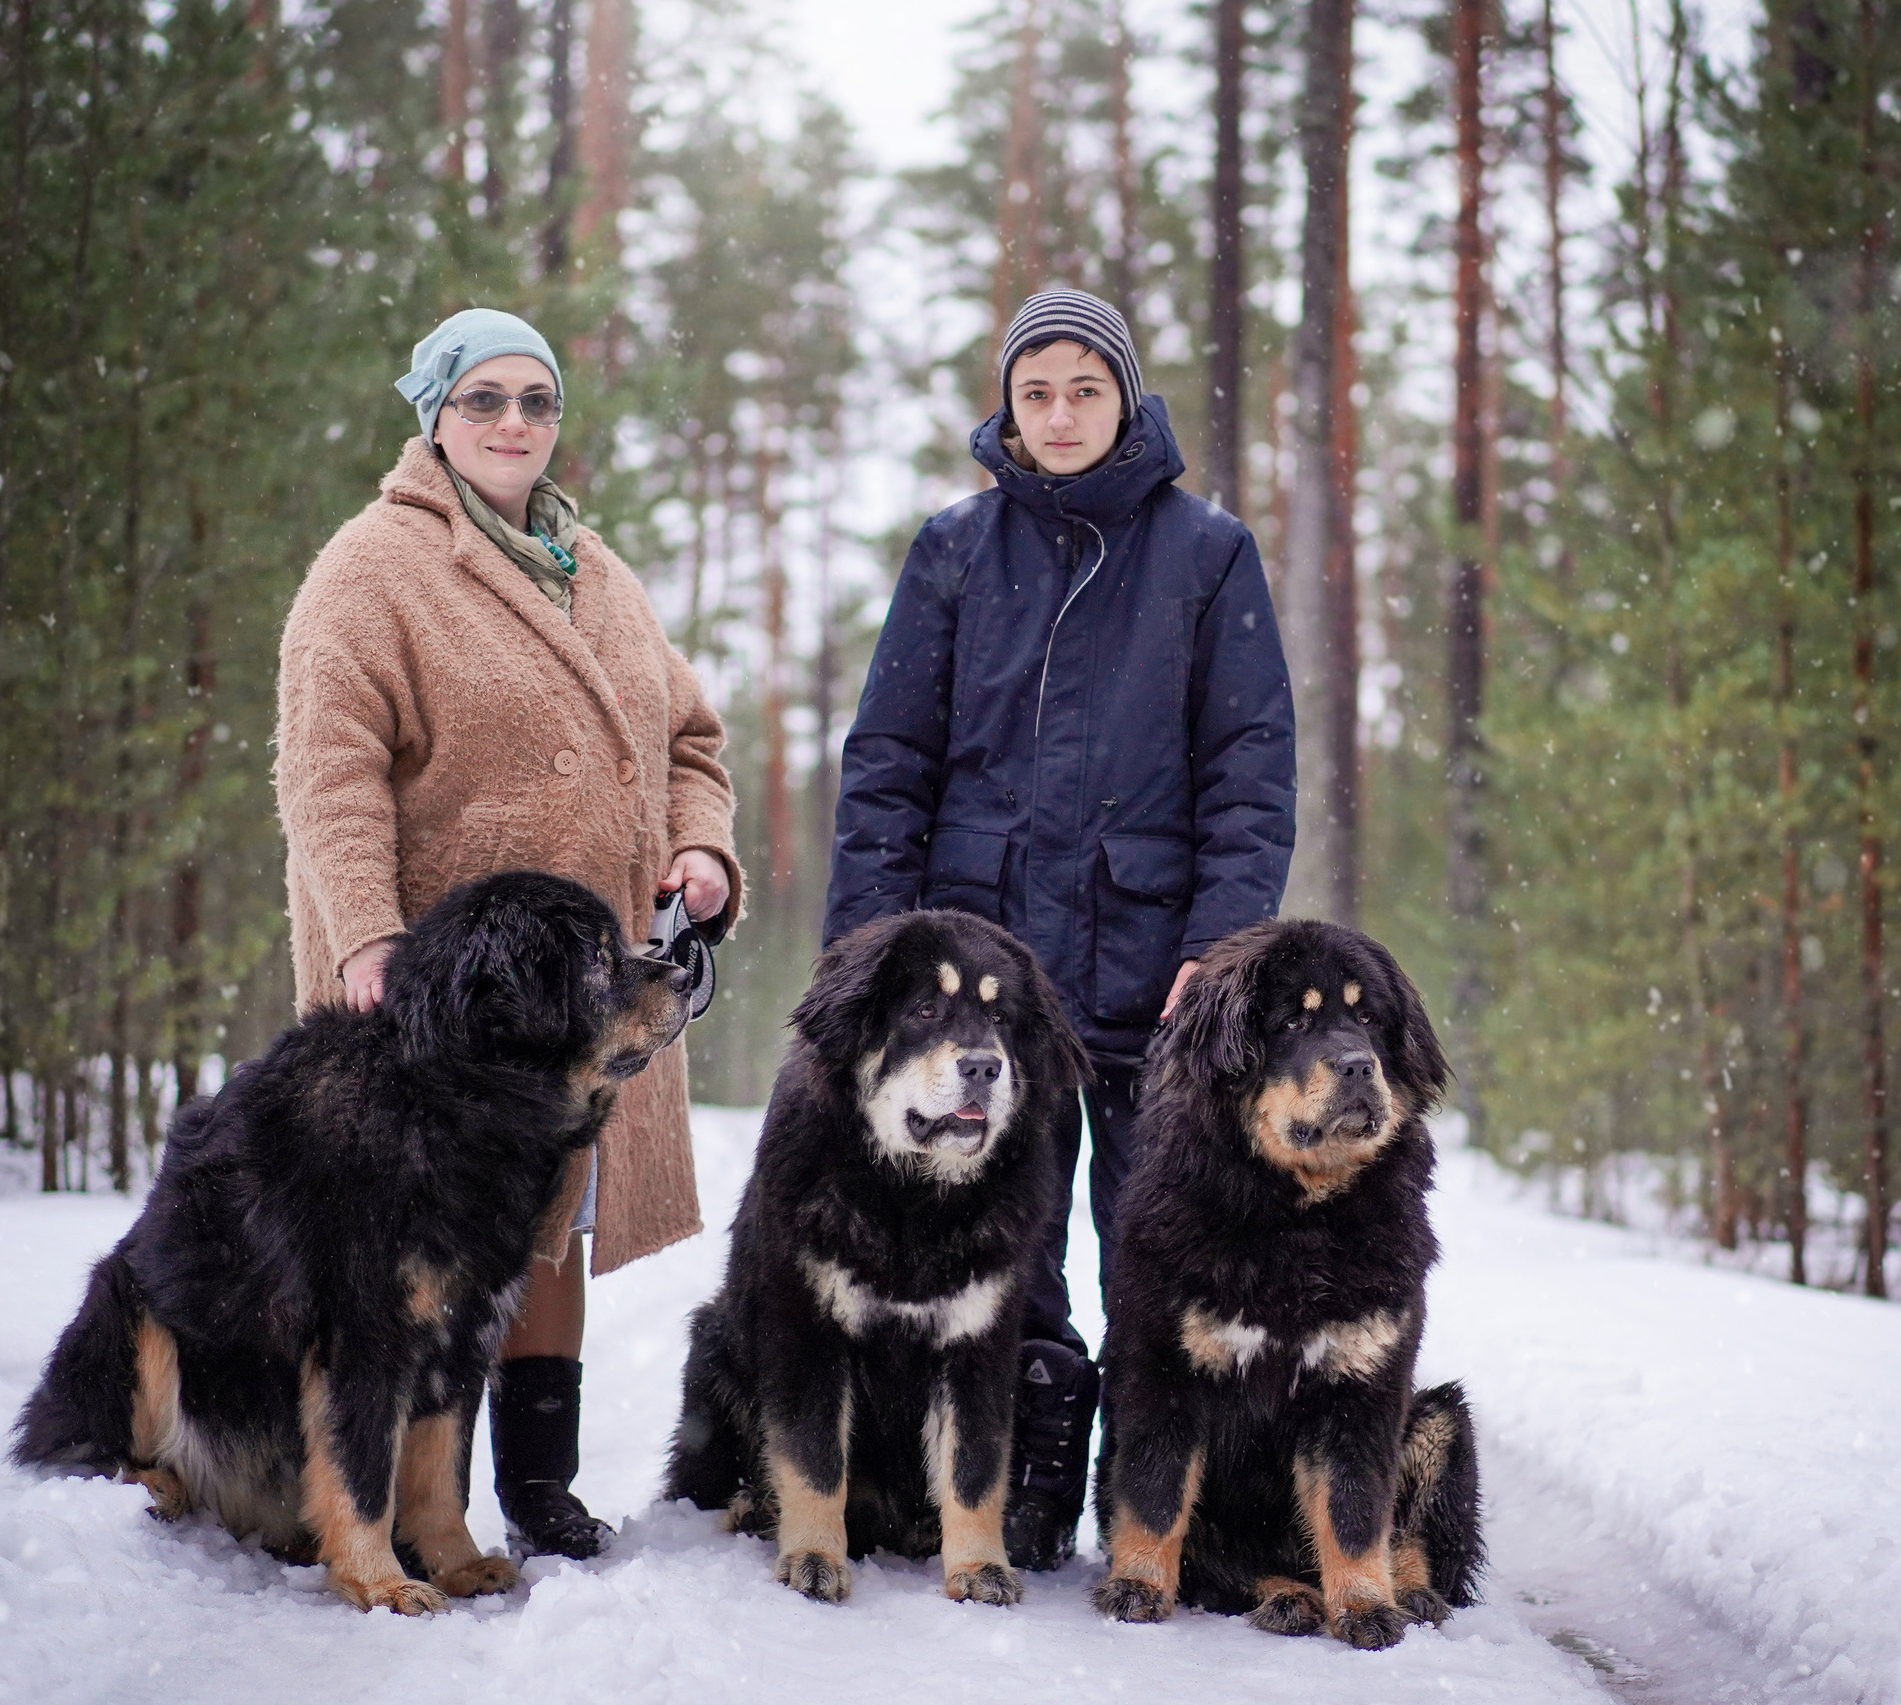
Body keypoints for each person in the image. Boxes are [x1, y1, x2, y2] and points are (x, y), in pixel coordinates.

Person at [824, 288, 1296, 1569]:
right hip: (983, 988)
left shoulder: (1206, 554)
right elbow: (889, 762)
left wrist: (1225, 944)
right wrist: (869, 961)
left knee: (1157, 1236)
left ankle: (1159, 1502)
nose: (1061, 412)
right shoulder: (955, 550)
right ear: (1008, 410)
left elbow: (1248, 770)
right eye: (1036, 391)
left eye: (1085, 387)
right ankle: (1022, 1472)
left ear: (1126, 398)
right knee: (1003, 1242)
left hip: (1157, 971)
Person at [276, 308, 741, 1562]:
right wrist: (368, 936)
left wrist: (698, 850)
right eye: (484, 400)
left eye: (536, 401)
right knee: (414, 1250)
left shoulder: (597, 570)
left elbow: (690, 739)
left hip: (584, 986)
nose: (515, 425)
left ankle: (537, 1488)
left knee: (551, 1227)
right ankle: (401, 1501)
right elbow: (329, 771)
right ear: (433, 414)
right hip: (451, 990)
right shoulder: (373, 567)